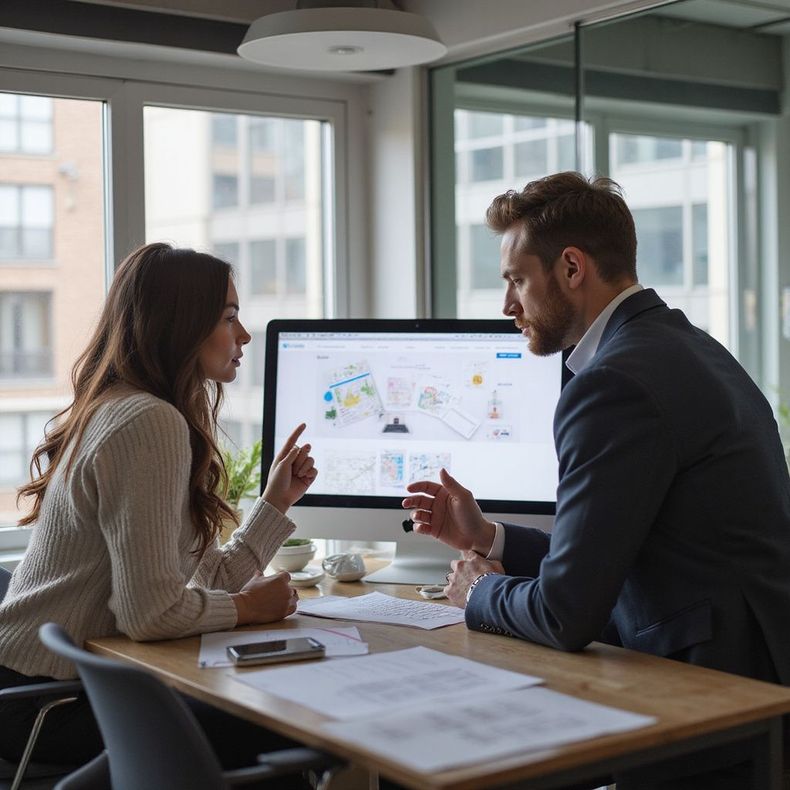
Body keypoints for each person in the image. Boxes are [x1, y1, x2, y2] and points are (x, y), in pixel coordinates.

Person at [403, 171, 790, 682]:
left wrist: (477, 590)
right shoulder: (687, 346)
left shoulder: (613, 383)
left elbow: (565, 613)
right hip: (755, 663)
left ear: (570, 267)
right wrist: (491, 539)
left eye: (517, 279)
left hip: (715, 689)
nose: (508, 306)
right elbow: (615, 552)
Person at [0, 242, 316, 774]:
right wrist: (249, 609)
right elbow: (150, 615)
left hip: (49, 690)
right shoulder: (147, 422)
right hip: (47, 707)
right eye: (229, 317)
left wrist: (274, 504)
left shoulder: (128, 408)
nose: (243, 336)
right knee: (292, 717)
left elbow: (201, 579)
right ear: (181, 325)